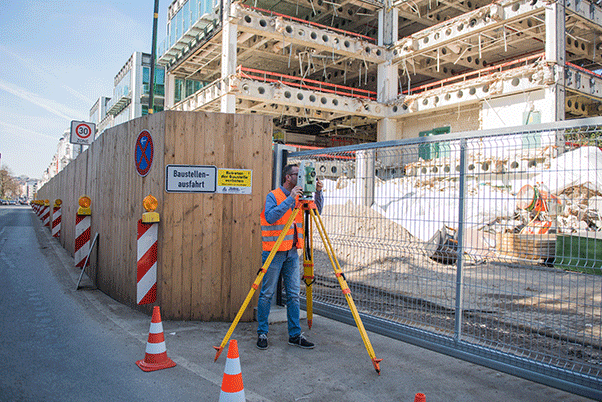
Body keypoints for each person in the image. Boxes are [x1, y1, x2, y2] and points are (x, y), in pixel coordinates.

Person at [257, 164, 323, 350]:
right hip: (273, 252)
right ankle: (262, 332)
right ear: (288, 177)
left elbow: (316, 211)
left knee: (294, 295)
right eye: (298, 174)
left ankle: (295, 334)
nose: (302, 177)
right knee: (267, 294)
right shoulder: (274, 196)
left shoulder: (301, 199)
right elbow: (270, 217)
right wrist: (290, 200)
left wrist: (317, 193)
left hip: (292, 252)